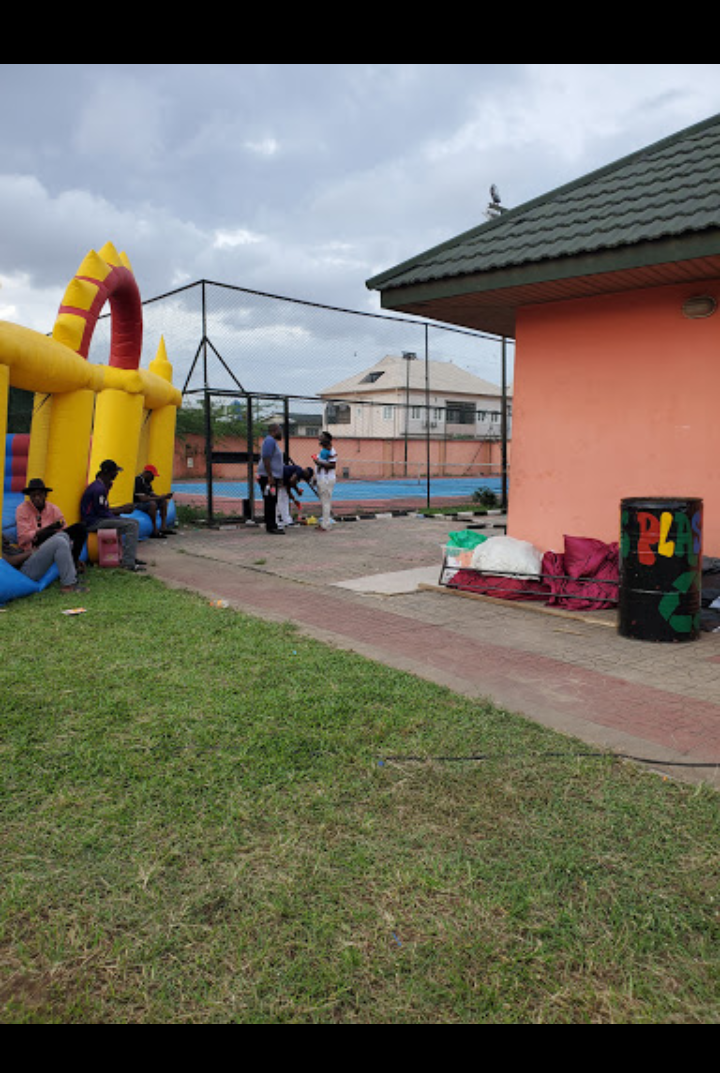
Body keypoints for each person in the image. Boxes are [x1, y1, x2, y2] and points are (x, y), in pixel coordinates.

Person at [79, 459, 145, 571]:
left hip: (97, 519)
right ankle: (128, 563)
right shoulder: (98, 488)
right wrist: (122, 510)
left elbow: (103, 510)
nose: (116, 474)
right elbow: (101, 512)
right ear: (107, 472)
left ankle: (129, 557)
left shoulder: (101, 486)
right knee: (131, 526)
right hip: (93, 522)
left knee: (133, 523)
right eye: (115, 472)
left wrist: (120, 512)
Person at [15, 477, 87, 571]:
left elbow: (64, 530)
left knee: (80, 528)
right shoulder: (22, 509)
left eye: (40, 495)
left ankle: (74, 561)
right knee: (49, 534)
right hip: (36, 545)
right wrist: (46, 529)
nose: (37, 498)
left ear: (45, 495)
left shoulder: (53, 509)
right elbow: (23, 537)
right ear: (29, 496)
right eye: (33, 495)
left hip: (57, 539)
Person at [2, 531, 86, 594]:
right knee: (59, 542)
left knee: (63, 535)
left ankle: (72, 575)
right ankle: (68, 585)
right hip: (22, 572)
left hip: (26, 560)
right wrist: (30, 552)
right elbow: (11, 560)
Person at [256, 423, 285, 534]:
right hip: (268, 477)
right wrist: (270, 476)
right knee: (270, 501)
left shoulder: (272, 442)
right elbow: (266, 458)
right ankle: (271, 526)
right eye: (280, 430)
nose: (281, 433)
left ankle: (272, 524)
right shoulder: (270, 441)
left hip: (272, 476)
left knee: (272, 500)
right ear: (275, 430)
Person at [133, 464, 174, 539]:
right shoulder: (138, 481)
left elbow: (152, 494)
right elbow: (142, 499)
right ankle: (154, 529)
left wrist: (163, 497)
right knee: (152, 504)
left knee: (163, 501)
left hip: (146, 502)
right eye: (152, 476)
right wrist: (158, 498)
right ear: (147, 473)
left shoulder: (147, 482)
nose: (153, 478)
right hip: (138, 503)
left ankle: (163, 527)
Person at [312, 432, 337, 531]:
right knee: (324, 501)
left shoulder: (332, 451)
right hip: (322, 477)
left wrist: (318, 462)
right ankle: (324, 522)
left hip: (326, 479)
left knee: (326, 501)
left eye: (322, 436)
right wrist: (316, 476)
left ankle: (325, 525)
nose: (319, 437)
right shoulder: (324, 450)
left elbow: (332, 465)